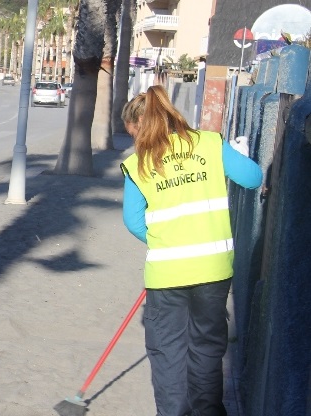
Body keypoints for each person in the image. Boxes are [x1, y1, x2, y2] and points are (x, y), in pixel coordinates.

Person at [119, 85, 263, 416]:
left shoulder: (138, 163)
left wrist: (165, 240)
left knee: (167, 353)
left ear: (140, 126)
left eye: (133, 135)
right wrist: (237, 152)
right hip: (213, 271)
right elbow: (253, 178)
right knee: (207, 350)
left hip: (167, 273)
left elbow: (133, 221)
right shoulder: (210, 144)